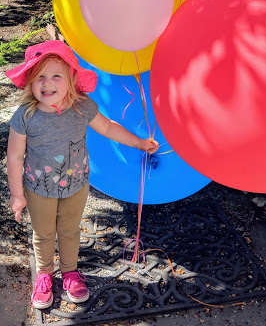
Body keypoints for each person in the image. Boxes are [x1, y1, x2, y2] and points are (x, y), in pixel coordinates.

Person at [5, 40, 159, 310]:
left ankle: (70, 272)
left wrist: (137, 142)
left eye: (56, 75)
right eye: (39, 75)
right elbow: (15, 156)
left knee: (68, 229)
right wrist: (18, 195)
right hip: (39, 188)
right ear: (29, 81)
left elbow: (109, 128)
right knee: (42, 233)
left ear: (72, 79)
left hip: (76, 185)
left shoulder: (82, 107)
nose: (47, 82)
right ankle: (44, 274)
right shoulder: (25, 115)